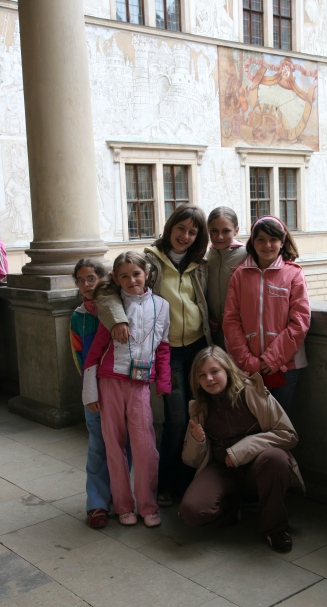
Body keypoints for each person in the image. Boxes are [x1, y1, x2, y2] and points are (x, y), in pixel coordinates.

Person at [95, 205, 212, 507]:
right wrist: (118, 319)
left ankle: (190, 481)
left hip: (198, 349)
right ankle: (166, 484)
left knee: (198, 416)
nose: (185, 236)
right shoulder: (150, 261)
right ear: (170, 227)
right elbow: (106, 289)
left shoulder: (200, 264)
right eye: (180, 228)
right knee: (176, 419)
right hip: (168, 353)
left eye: (193, 232)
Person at [180, 346, 304, 551]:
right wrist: (196, 440)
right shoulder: (198, 407)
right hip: (221, 470)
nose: (209, 379)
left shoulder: (252, 391)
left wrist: (240, 451)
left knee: (277, 458)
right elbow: (190, 460)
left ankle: (275, 528)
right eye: (202, 375)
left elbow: (288, 434)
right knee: (191, 511)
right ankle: (234, 507)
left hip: (257, 466)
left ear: (227, 370)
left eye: (214, 371)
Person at [83, 252, 171, 527]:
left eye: (136, 274)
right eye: (124, 276)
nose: (132, 280)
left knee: (145, 448)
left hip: (140, 385)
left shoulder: (162, 306)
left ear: (147, 274)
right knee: (114, 446)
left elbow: (163, 346)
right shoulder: (113, 306)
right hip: (109, 382)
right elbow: (95, 352)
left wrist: (164, 380)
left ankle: (148, 505)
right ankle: (122, 505)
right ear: (116, 279)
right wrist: (90, 393)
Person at [223, 216, 310, 417]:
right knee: (251, 422)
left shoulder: (294, 274)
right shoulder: (239, 274)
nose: (267, 245)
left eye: (273, 239)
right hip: (247, 367)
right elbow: (231, 320)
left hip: (285, 366)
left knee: (280, 423)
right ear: (253, 242)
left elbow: (300, 321)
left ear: (282, 242)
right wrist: (248, 361)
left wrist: (272, 359)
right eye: (261, 239)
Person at [70, 258, 112, 529]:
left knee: (123, 444)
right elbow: (78, 358)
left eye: (91, 279)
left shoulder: (116, 307)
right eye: (80, 280)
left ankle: (121, 496)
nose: (86, 285)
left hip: (118, 387)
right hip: (93, 391)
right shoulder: (78, 317)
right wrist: (89, 391)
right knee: (97, 445)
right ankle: (96, 503)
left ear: (102, 279)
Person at [206, 207, 246, 350]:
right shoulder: (207, 257)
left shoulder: (246, 255)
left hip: (241, 329)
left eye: (226, 231)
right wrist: (209, 317)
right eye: (214, 231)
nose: (220, 237)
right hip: (215, 330)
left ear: (236, 230)